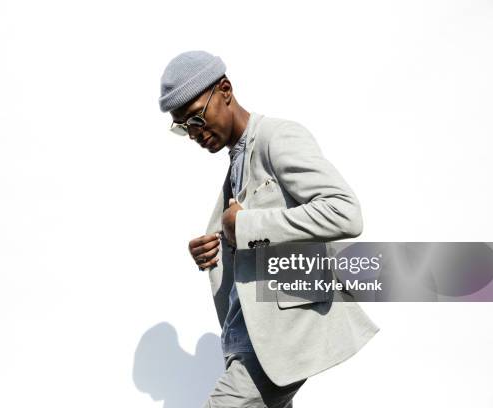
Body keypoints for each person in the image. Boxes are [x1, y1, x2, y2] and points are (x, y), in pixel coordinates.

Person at [158, 50, 379, 408]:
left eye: (196, 118)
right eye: (183, 127)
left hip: (279, 340)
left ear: (225, 90)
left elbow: (344, 212)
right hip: (245, 336)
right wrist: (218, 245)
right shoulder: (236, 163)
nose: (194, 134)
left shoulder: (278, 137)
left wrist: (245, 225)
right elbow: (253, 235)